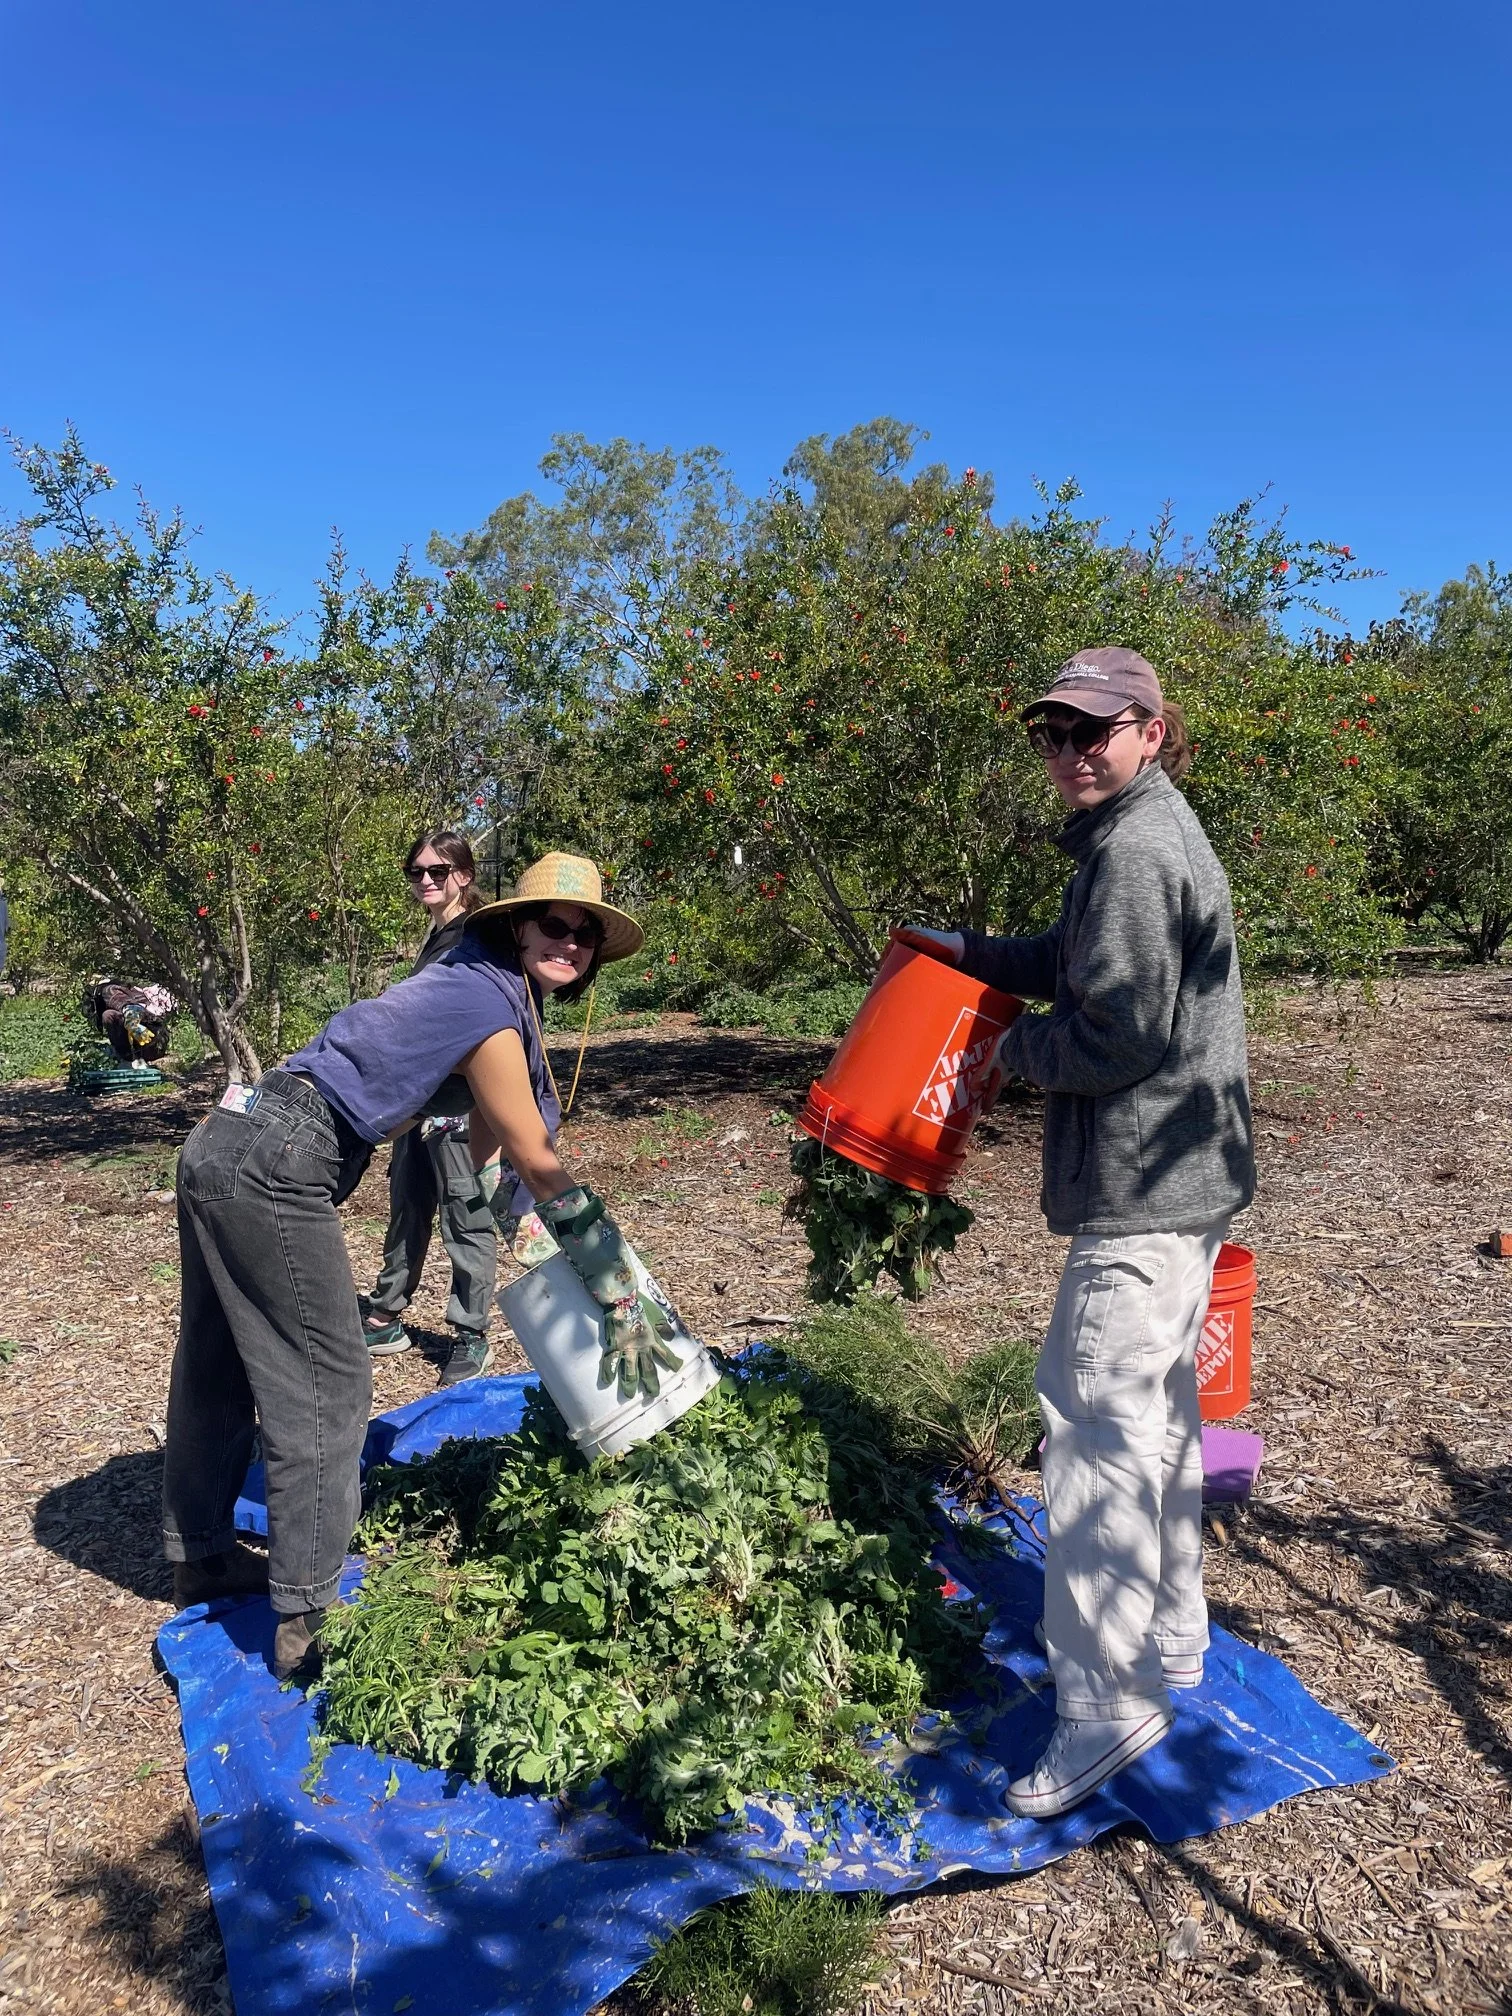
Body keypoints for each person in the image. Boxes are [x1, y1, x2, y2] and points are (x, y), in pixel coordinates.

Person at [898, 646, 1255, 1820]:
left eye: (1093, 730)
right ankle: (1172, 1640)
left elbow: (1120, 1031)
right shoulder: (1129, 837)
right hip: (1183, 1181)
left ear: (1151, 728)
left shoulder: (1138, 849)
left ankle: (1106, 1704)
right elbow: (1072, 963)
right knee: (1154, 1416)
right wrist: (971, 956)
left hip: (1146, 1186)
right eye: (1052, 732)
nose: (1069, 751)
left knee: (1093, 1419)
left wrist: (1011, 1050)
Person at [162, 851, 658, 1680]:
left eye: (586, 936)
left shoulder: (478, 987)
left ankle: (202, 1558)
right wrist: (614, 1281)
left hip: (227, 1139)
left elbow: (488, 1153)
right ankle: (307, 1621)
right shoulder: (489, 1003)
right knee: (327, 1384)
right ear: (516, 924)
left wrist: (536, 1244)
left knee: (218, 1364)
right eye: (554, 924)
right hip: (280, 1157)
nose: (570, 943)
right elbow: (536, 1159)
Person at [360, 831, 500, 1387]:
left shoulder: (474, 936)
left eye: (438, 871)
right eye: (416, 871)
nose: (425, 880)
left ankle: (470, 1334)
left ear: (464, 875)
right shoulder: (439, 934)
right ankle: (385, 1315)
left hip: (459, 1105)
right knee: (408, 1205)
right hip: (419, 1100)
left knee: (465, 1217)